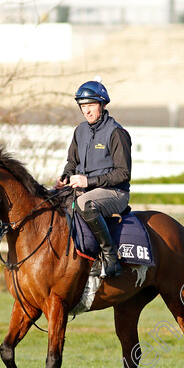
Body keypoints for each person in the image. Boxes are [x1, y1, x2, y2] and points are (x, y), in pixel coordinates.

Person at [55, 77, 132, 278]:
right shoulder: (79, 131)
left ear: (102, 104)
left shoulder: (116, 133)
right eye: (83, 106)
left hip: (115, 193)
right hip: (84, 190)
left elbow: (123, 173)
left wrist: (88, 182)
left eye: (90, 105)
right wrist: (65, 177)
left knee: (85, 203)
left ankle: (110, 257)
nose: (86, 110)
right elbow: (72, 162)